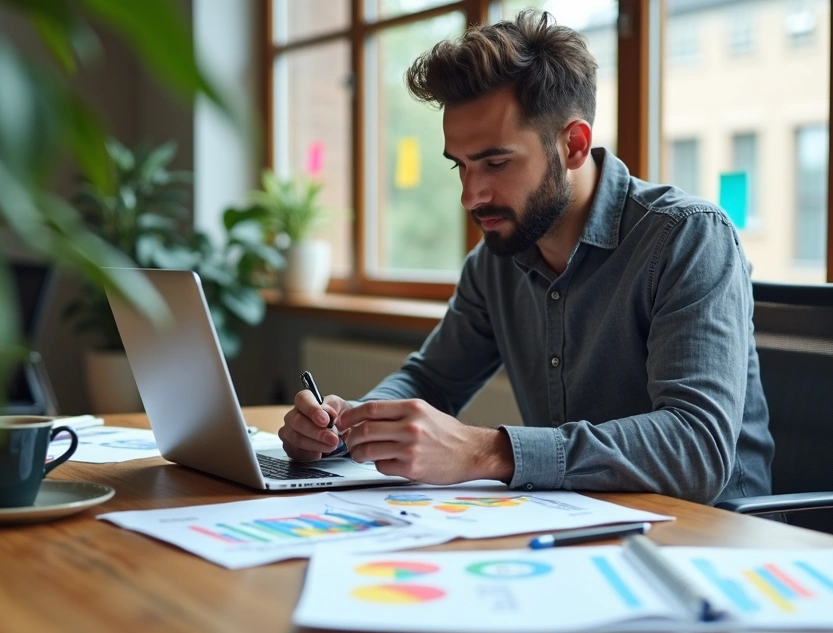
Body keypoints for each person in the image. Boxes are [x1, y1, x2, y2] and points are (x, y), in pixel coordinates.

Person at [278, 9, 774, 504]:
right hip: (577, 526)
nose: (471, 196)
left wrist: (485, 451)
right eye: (462, 166)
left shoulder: (687, 238)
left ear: (574, 145)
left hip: (709, 545)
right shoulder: (496, 259)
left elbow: (696, 451)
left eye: (496, 162)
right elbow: (431, 379)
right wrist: (348, 424)